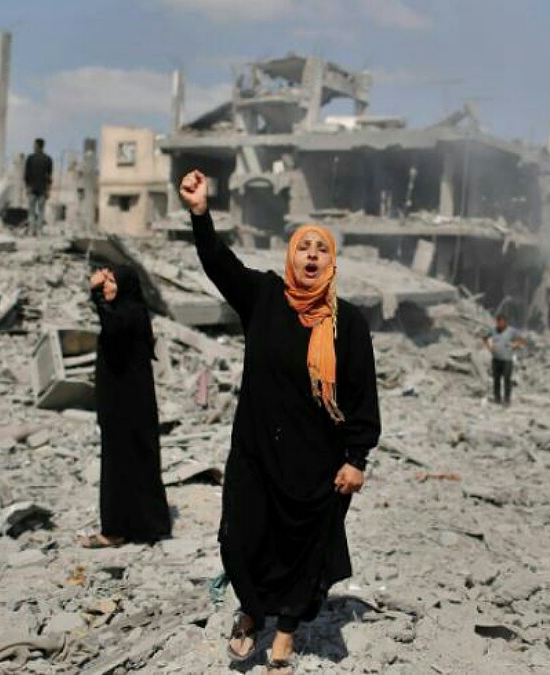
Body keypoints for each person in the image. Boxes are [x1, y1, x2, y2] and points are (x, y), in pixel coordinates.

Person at [179, 170, 380, 675]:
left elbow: (361, 396)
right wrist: (200, 214)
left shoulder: (348, 324)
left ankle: (286, 634)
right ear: (291, 255)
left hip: (317, 462)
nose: (311, 256)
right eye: (303, 247)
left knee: (303, 550)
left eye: (321, 249)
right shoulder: (264, 297)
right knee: (242, 536)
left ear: (332, 262)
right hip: (256, 452)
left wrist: (357, 459)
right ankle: (251, 612)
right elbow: (219, 264)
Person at [79, 265, 171, 547]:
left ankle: (117, 530)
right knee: (133, 463)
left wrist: (95, 293)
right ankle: (145, 526)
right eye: (106, 281)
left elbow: (111, 325)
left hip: (126, 407)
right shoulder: (130, 311)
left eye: (111, 282)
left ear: (125, 286)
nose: (106, 286)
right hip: (125, 404)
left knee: (120, 465)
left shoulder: (129, 314)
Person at [483, 314, 525, 406]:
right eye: (499, 322)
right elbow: (485, 338)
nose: (500, 324)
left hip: (507, 360)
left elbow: (522, 340)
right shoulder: (493, 330)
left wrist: (515, 345)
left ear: (505, 322)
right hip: (496, 359)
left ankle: (507, 400)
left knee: (507, 380)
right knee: (496, 380)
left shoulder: (512, 331)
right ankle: (497, 398)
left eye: (502, 322)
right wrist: (489, 348)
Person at [24, 138, 54, 236]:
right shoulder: (48, 159)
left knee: (31, 211)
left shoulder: (30, 158)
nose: (33, 147)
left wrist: (27, 187)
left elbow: (26, 175)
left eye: (34, 145)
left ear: (37, 146)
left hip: (33, 188)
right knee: (41, 211)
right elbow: (49, 177)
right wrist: (48, 189)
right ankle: (39, 231)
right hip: (42, 189)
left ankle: (31, 230)